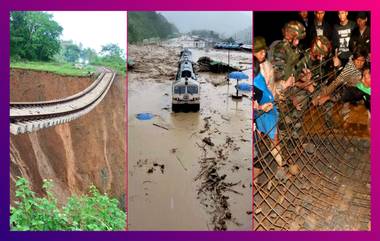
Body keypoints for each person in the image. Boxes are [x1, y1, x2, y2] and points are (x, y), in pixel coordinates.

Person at [253, 57, 283, 167]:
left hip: (267, 104)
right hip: (262, 107)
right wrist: (259, 107)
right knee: (262, 136)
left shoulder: (262, 66)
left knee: (273, 137)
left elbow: (271, 84)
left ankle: (280, 164)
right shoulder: (255, 81)